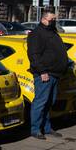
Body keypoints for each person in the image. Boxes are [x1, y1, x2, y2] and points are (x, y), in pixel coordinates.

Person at [25, 10, 70, 140]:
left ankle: (46, 127)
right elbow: (34, 55)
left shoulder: (52, 32)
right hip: (45, 74)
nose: (54, 22)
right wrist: (42, 71)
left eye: (55, 20)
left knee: (50, 101)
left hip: (55, 73)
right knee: (41, 101)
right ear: (43, 20)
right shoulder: (36, 34)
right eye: (52, 20)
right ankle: (35, 129)